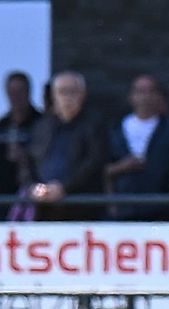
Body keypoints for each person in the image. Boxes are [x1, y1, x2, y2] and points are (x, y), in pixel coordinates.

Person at [106, 74, 169, 221]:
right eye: (140, 91)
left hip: (162, 211)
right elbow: (103, 170)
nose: (146, 97)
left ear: (159, 96)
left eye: (151, 91)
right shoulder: (115, 130)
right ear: (131, 97)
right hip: (123, 211)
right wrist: (122, 167)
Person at [27, 71, 108, 221]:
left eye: (72, 91)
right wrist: (33, 186)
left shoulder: (94, 125)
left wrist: (64, 187)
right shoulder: (42, 126)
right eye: (62, 92)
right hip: (45, 209)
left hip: (83, 209)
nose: (67, 97)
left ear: (83, 94)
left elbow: (94, 161)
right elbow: (29, 161)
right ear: (53, 95)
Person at [0, 72, 43, 215]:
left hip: (35, 193)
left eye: (20, 91)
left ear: (28, 91)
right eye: (12, 92)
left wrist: (26, 154)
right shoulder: (3, 125)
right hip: (4, 192)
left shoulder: (42, 123)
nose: (16, 97)